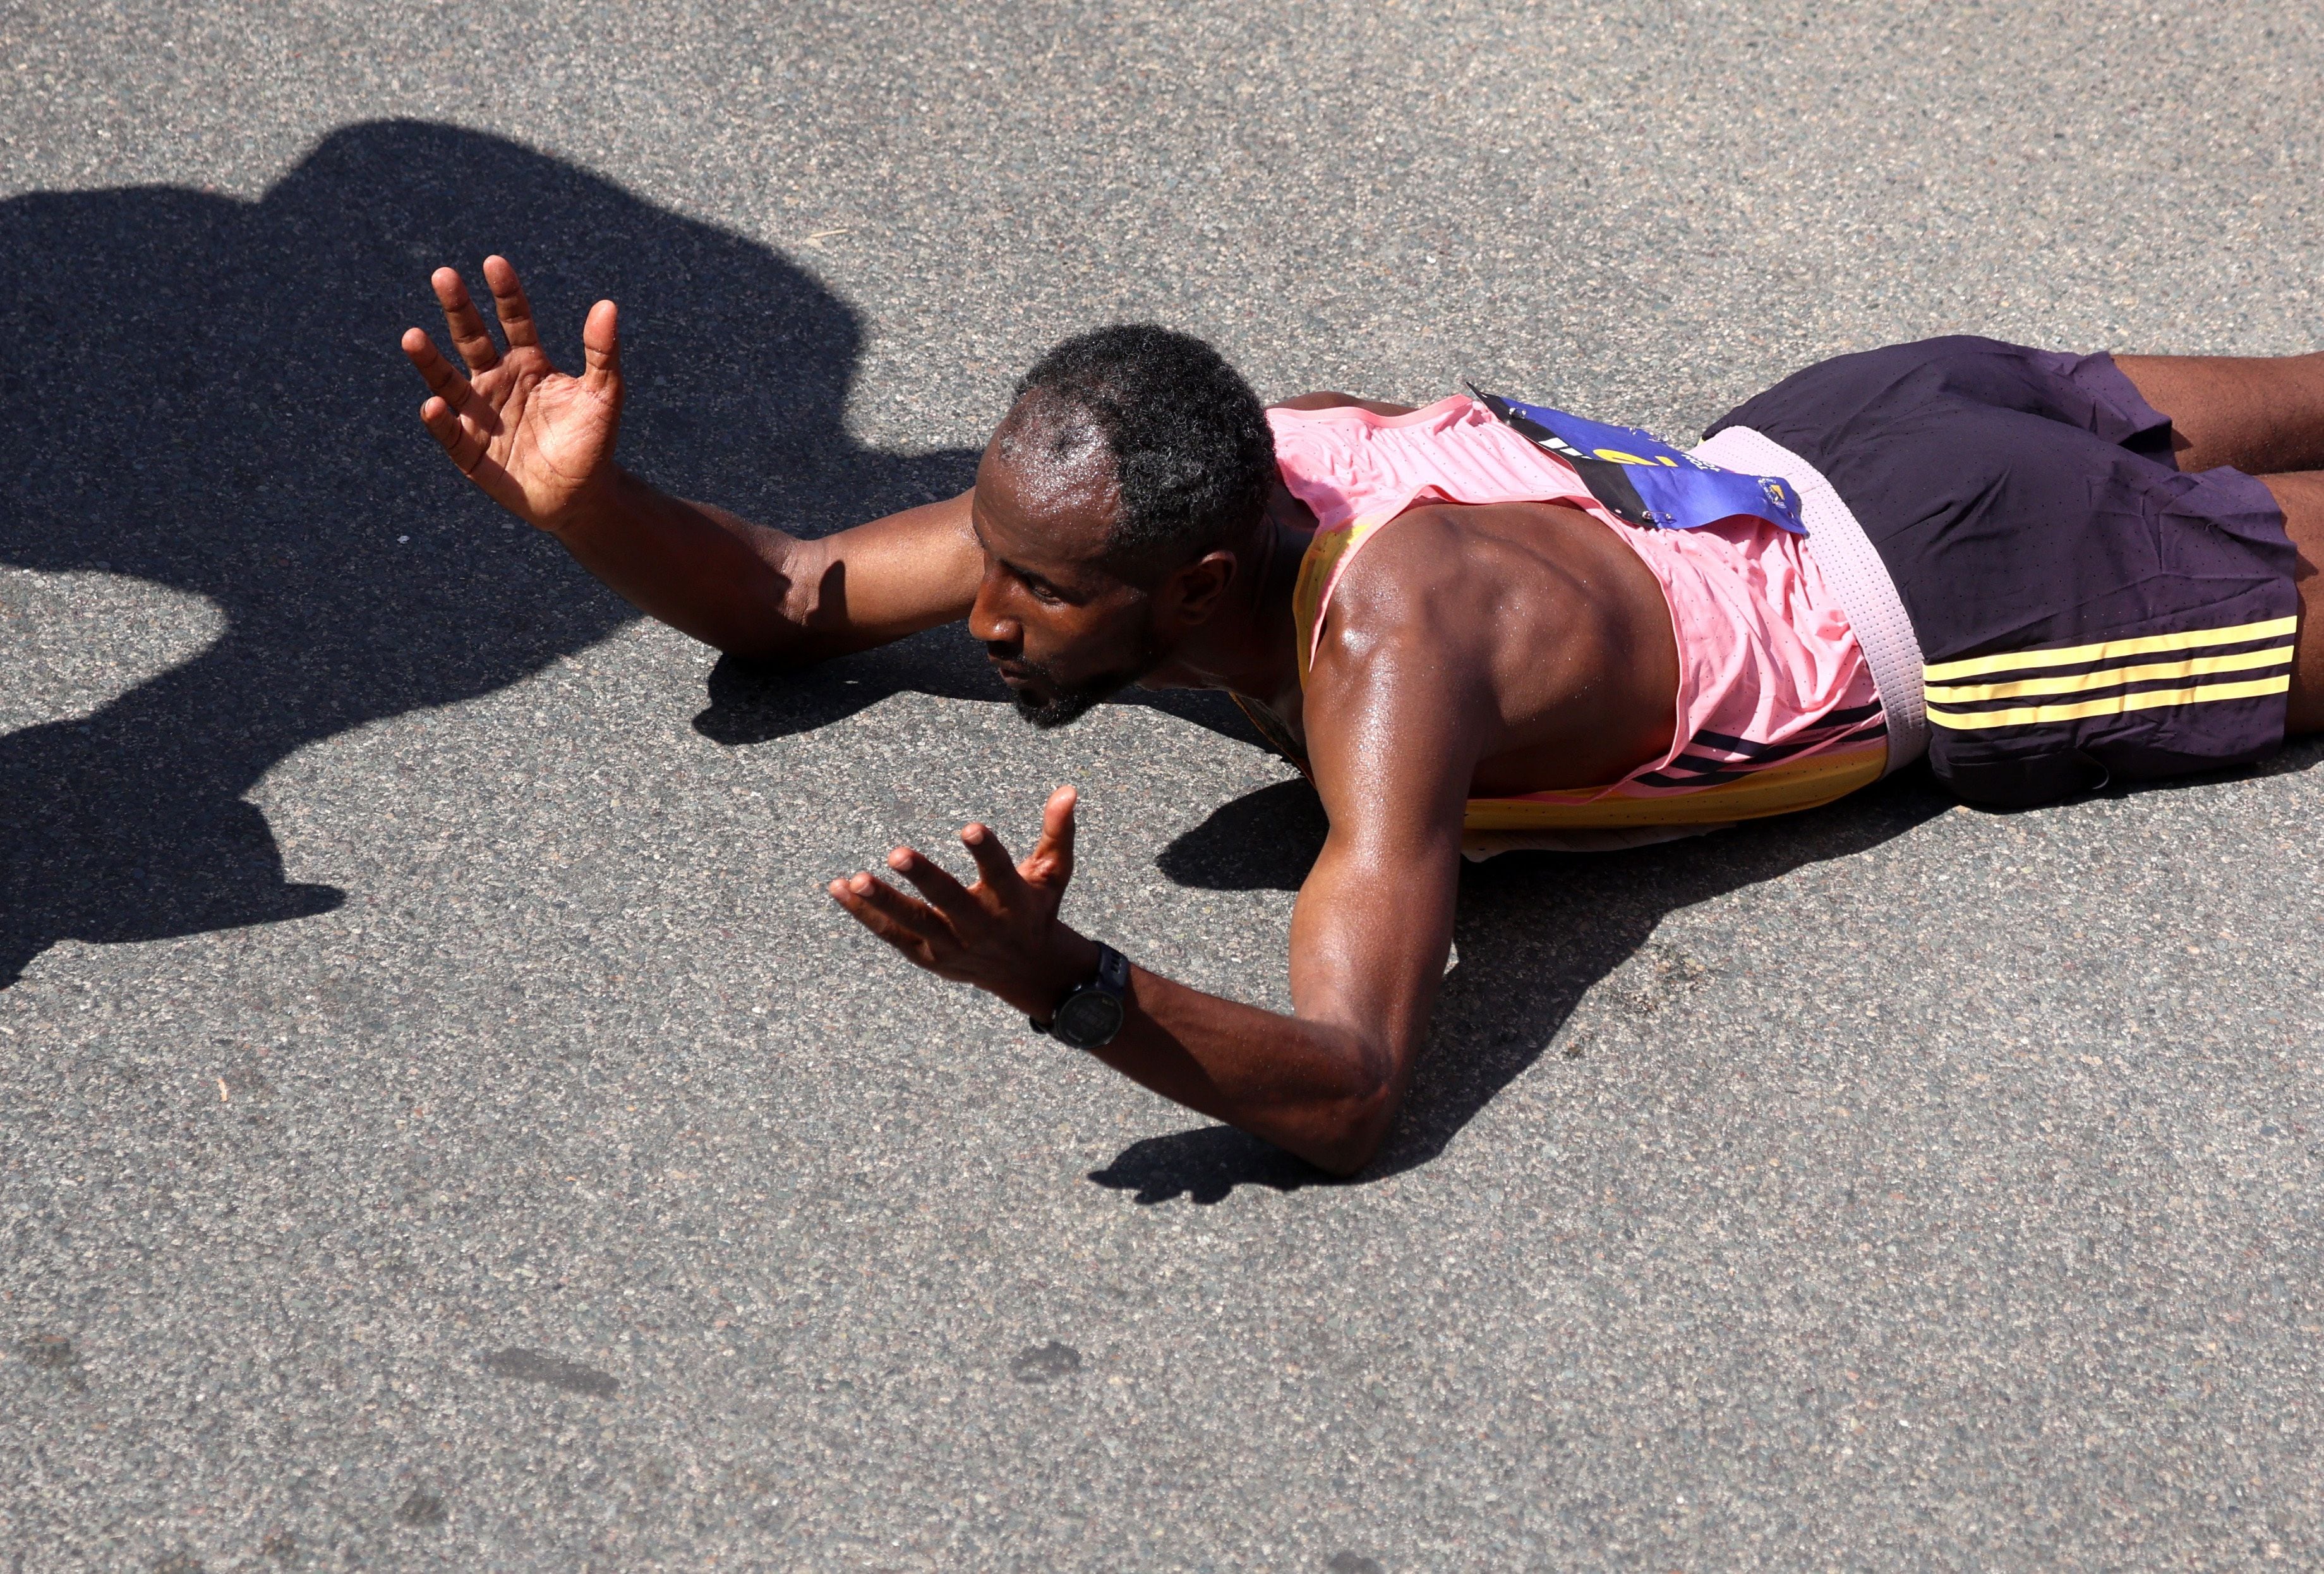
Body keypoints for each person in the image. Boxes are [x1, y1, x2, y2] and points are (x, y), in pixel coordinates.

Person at [400, 256, 2324, 1175]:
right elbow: (799, 595)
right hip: (1850, 424)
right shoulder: (1243, 465)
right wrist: (595, 511)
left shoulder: (1391, 645)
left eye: (1040, 591)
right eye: (994, 553)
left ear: (1207, 591)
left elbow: (1354, 1081)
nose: (982, 611)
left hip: (1982, 595)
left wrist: (1074, 986)